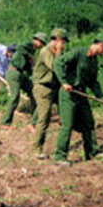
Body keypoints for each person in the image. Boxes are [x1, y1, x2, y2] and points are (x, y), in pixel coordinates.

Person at [53, 32, 103, 166]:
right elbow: (58, 63)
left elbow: (93, 83)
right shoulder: (78, 52)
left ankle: (91, 152)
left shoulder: (93, 62)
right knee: (67, 125)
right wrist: (64, 82)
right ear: (101, 45)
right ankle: (60, 156)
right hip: (68, 94)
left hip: (81, 94)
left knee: (89, 123)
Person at [31, 28, 67, 159]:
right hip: (43, 88)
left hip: (53, 87)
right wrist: (59, 52)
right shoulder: (45, 51)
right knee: (44, 119)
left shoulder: (54, 51)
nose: (63, 45)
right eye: (62, 41)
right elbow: (54, 66)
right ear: (57, 40)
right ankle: (36, 149)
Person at [1, 32, 46, 129]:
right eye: (41, 43)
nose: (42, 45)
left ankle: (34, 120)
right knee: (15, 97)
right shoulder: (28, 45)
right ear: (37, 41)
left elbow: (29, 69)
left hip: (21, 75)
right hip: (14, 73)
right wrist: (29, 56)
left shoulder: (33, 51)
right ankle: (6, 122)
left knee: (34, 93)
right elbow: (20, 47)